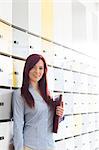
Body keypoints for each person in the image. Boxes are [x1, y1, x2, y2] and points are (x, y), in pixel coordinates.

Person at [12, 53, 64, 150]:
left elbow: (48, 120)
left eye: (41, 68)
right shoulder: (19, 94)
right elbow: (18, 126)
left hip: (49, 145)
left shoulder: (48, 94)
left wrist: (60, 116)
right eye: (34, 67)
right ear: (27, 68)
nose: (37, 71)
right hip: (30, 146)